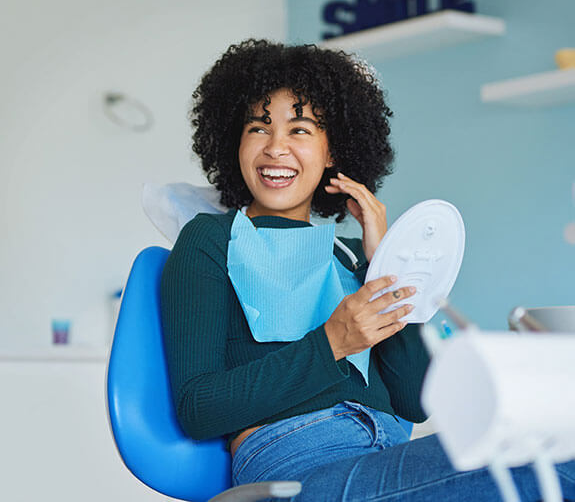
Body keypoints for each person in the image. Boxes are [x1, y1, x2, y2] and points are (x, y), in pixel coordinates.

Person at [160, 39, 575, 501]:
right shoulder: (210, 239)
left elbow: (414, 400)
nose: (275, 148)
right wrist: (333, 342)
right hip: (296, 464)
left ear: (332, 150)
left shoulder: (355, 256)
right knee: (551, 467)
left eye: (299, 130)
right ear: (235, 141)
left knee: (554, 447)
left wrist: (388, 263)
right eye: (258, 128)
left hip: (385, 454)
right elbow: (197, 408)